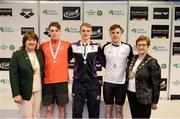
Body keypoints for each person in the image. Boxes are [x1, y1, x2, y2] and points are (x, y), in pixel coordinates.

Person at [39, 22, 72, 118]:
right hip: (48, 82)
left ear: (60, 32)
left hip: (62, 81)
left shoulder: (67, 45)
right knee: (49, 108)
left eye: (56, 31)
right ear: (49, 32)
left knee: (61, 108)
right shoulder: (43, 46)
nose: (54, 33)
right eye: (52, 31)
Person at [71, 23, 103, 118]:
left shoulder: (97, 47)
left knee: (94, 112)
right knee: (77, 112)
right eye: (83, 30)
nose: (86, 33)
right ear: (80, 32)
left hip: (93, 83)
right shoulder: (73, 46)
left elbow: (104, 62)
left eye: (88, 31)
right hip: (78, 83)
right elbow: (63, 61)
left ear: (91, 32)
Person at [9, 31, 44, 118]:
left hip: (38, 90)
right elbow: (13, 75)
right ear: (24, 41)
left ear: (36, 42)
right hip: (25, 91)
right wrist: (16, 94)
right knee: (26, 116)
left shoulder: (39, 54)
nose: (32, 42)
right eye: (29, 40)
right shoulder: (17, 55)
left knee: (36, 115)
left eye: (34, 40)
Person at [101, 24, 133, 118]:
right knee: (108, 108)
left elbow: (132, 62)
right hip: (108, 83)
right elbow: (102, 61)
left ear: (121, 34)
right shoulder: (105, 47)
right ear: (110, 34)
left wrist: (130, 73)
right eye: (113, 33)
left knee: (119, 109)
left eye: (117, 33)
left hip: (121, 83)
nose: (115, 35)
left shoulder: (127, 47)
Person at [126, 35, 161, 118]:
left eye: (144, 45)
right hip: (131, 93)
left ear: (148, 46)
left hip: (145, 97)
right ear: (136, 46)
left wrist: (155, 101)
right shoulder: (133, 58)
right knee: (134, 117)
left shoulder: (152, 62)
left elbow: (156, 83)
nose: (141, 47)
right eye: (139, 45)